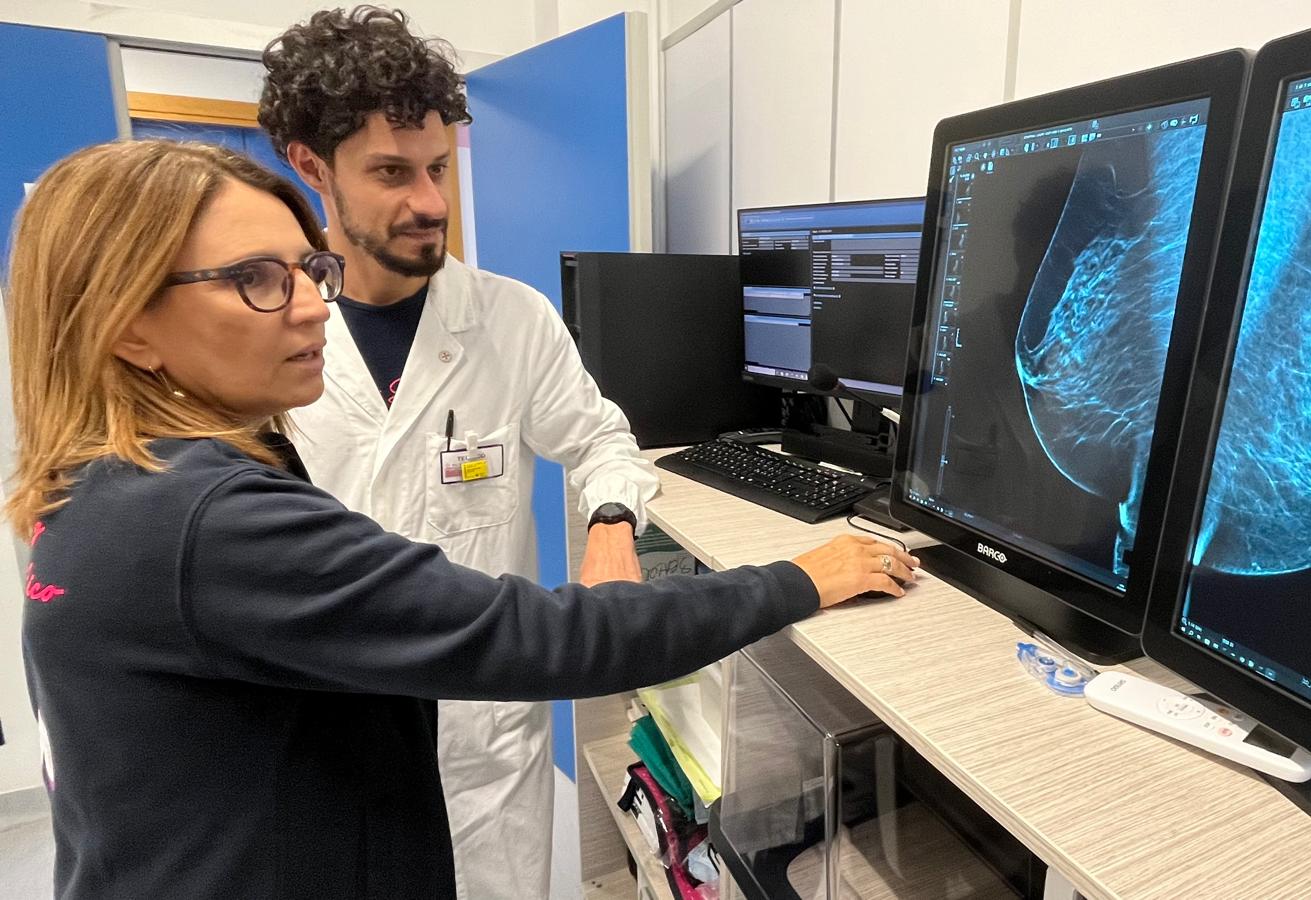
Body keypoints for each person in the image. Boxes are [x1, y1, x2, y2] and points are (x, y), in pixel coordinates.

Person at [8, 139, 919, 899]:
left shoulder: (101, 485)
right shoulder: (202, 519)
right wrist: (802, 577)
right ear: (127, 324)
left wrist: (610, 520)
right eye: (255, 280)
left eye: (306, 271)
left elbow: (599, 440)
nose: (311, 307)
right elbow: (540, 637)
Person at [256, 9, 656, 896]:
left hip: (483, 747)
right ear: (312, 166)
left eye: (438, 167)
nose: (431, 202)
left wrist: (611, 521)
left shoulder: (511, 319)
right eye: (391, 173)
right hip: (330, 737)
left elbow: (600, 438)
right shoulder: (270, 334)